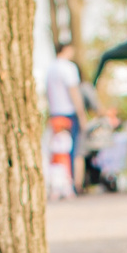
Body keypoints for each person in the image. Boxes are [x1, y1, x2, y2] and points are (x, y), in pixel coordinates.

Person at [43, 41, 86, 192]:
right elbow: (74, 91)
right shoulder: (68, 67)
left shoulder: (50, 69)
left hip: (55, 113)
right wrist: (82, 114)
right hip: (68, 113)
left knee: (57, 151)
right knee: (71, 150)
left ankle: (57, 185)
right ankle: (72, 184)